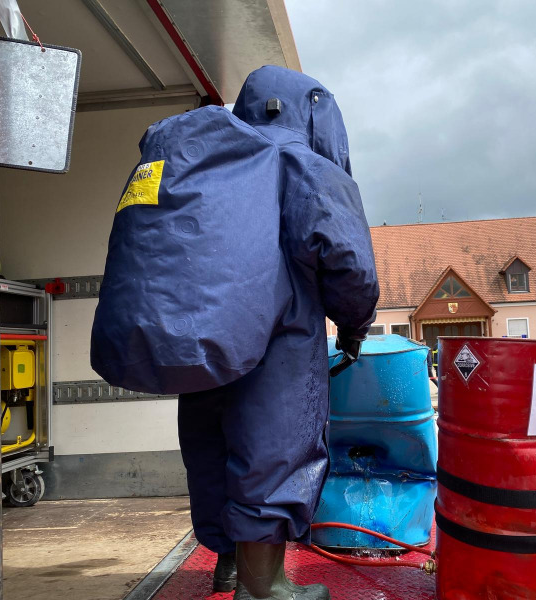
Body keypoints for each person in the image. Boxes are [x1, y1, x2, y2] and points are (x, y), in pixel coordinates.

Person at [177, 66, 379, 600]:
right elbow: (350, 265)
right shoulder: (302, 165)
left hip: (206, 343)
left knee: (213, 449)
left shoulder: (208, 163)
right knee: (273, 451)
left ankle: (228, 566)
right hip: (278, 341)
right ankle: (264, 588)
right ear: (313, 110)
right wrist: (354, 326)